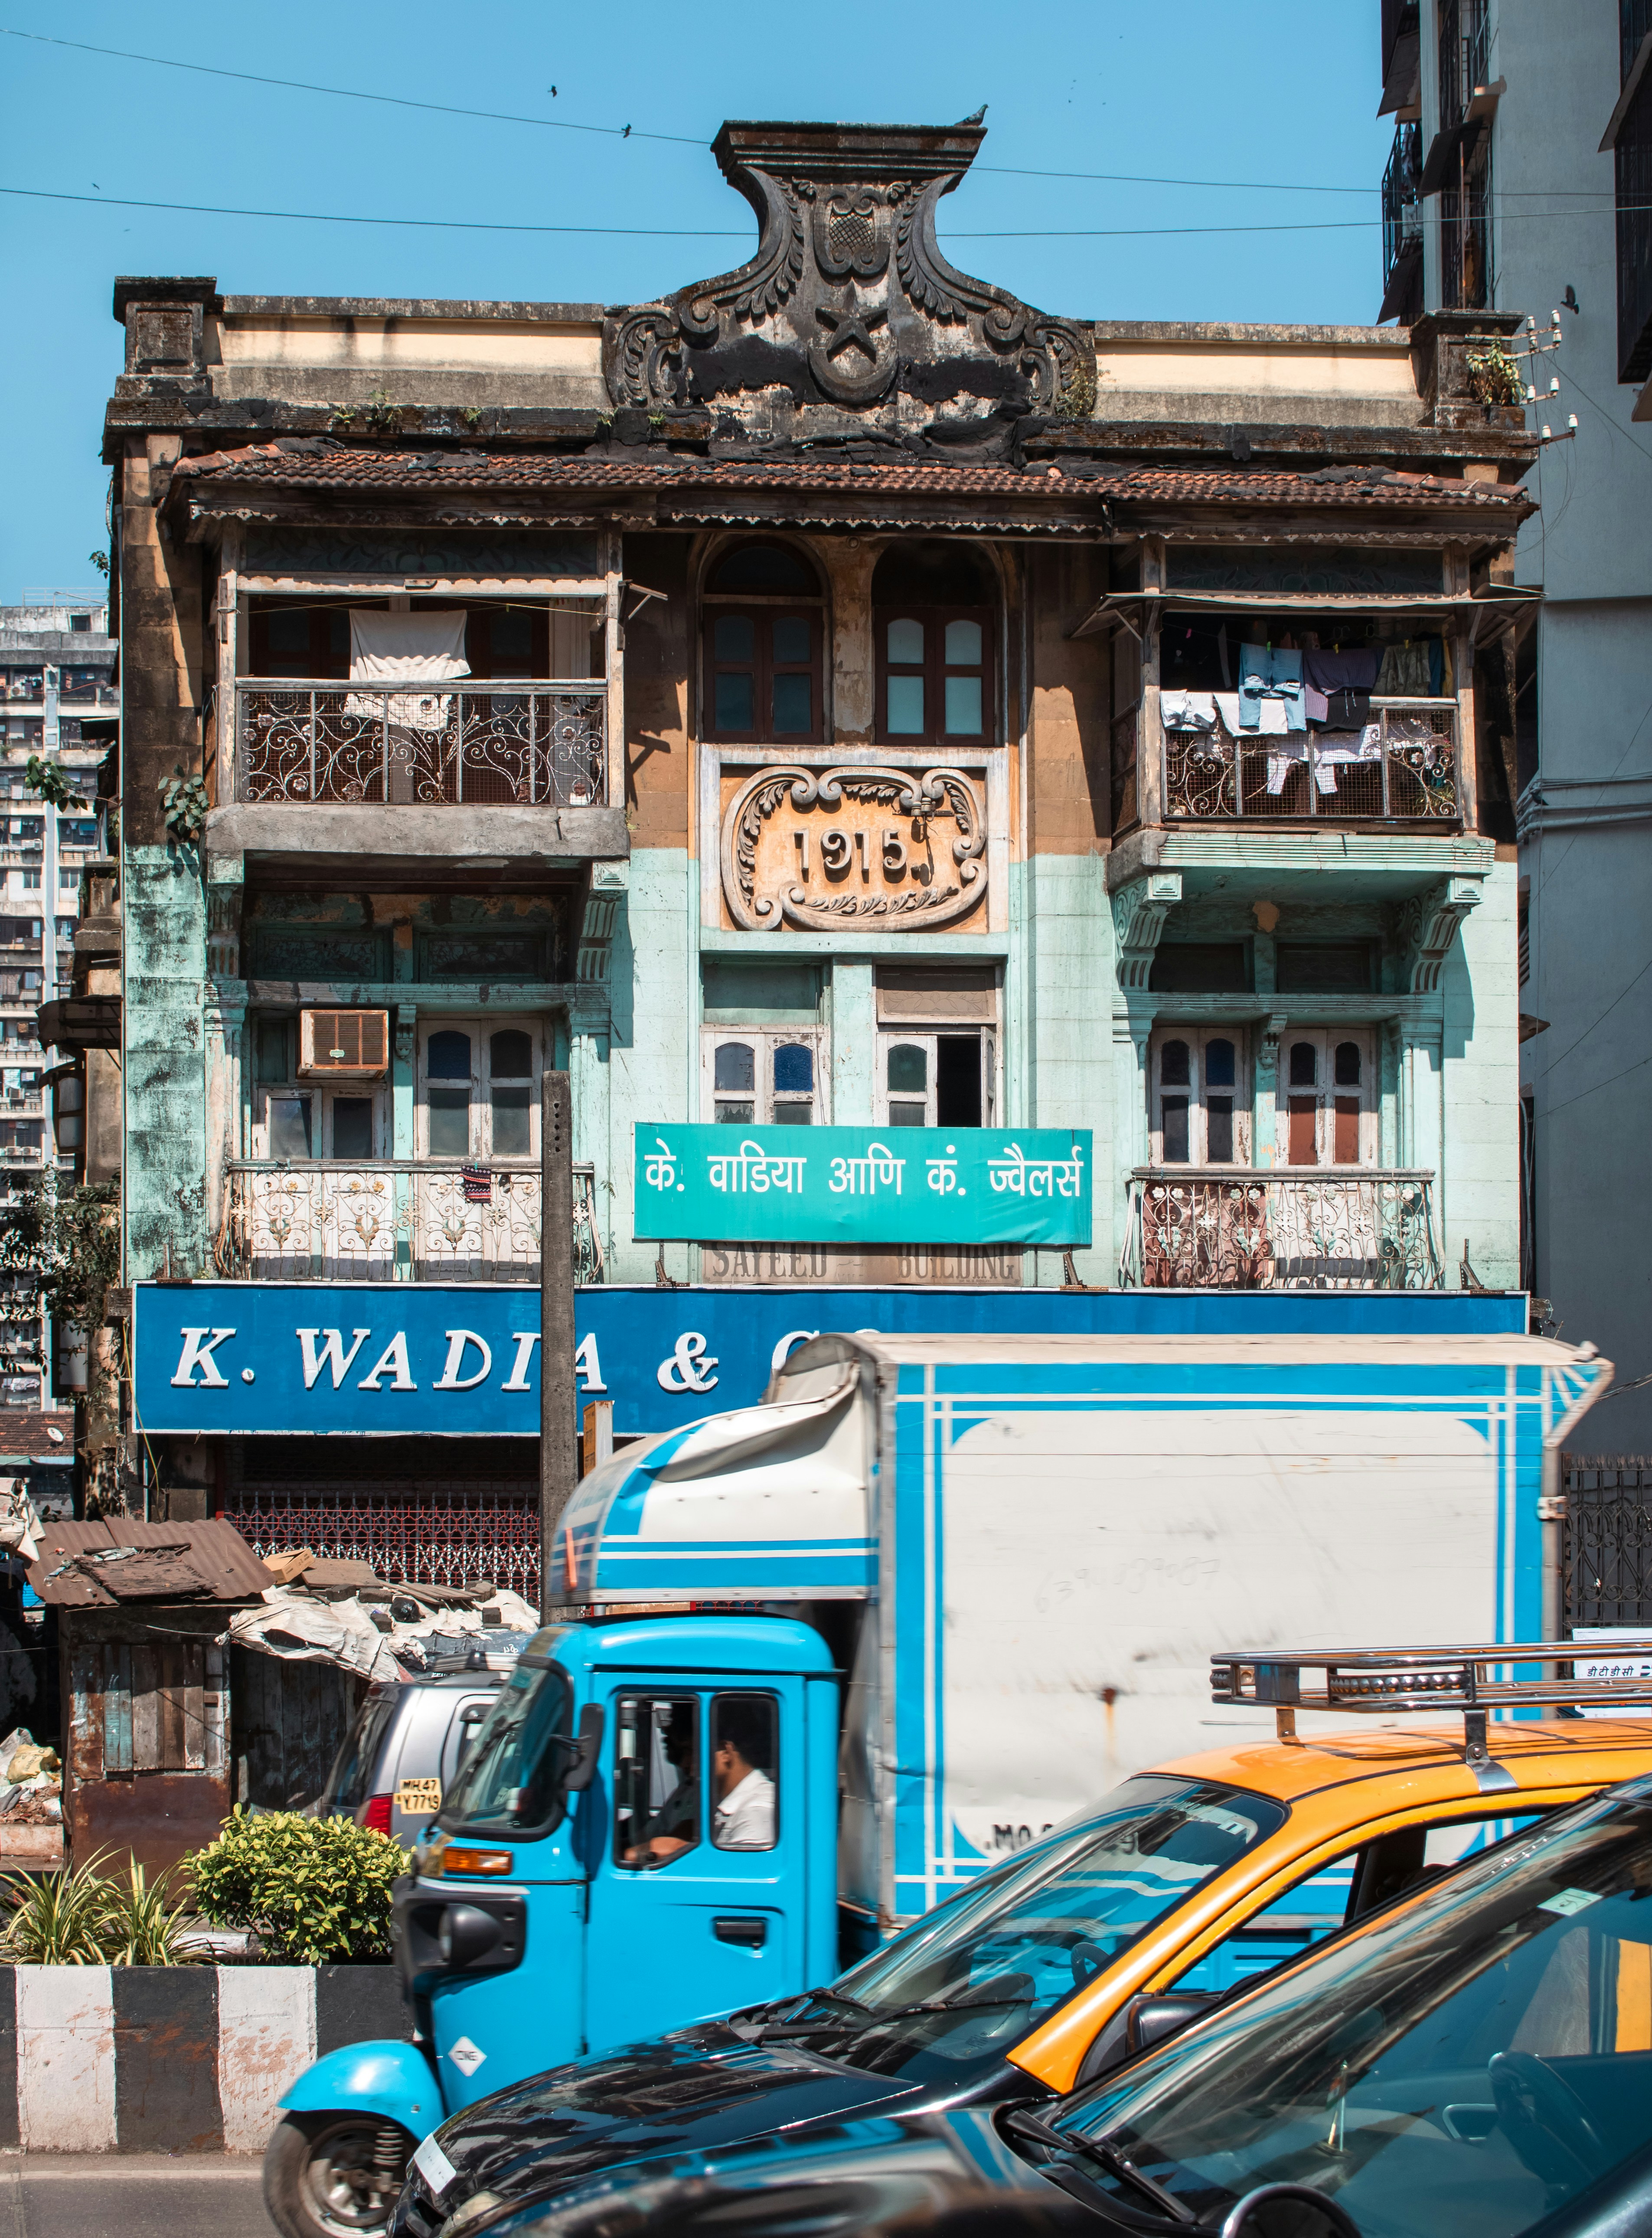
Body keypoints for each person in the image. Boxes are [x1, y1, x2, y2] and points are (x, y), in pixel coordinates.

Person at [624, 1703, 699, 1865]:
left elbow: (676, 1842)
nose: (665, 1731)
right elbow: (648, 1835)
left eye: (674, 1723)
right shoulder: (685, 1789)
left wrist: (622, 1854)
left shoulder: (704, 1795)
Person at [712, 1701, 776, 1848]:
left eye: (694, 1752)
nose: (690, 1765)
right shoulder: (740, 1805)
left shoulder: (754, 1812)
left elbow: (747, 1869)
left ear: (726, 1752)